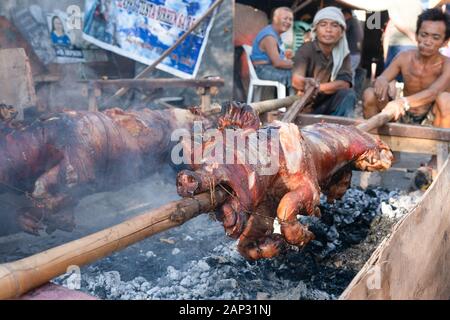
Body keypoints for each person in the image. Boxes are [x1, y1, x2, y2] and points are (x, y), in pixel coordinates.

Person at [363, 8, 450, 129]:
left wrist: (402, 102)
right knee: (370, 94)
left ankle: (441, 146)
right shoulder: (404, 57)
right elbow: (383, 77)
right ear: (416, 35)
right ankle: (374, 144)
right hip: (401, 114)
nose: (427, 42)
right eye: (424, 35)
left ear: (445, 42)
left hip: (431, 117)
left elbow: (433, 93)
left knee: (446, 99)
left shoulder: (447, 65)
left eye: (435, 37)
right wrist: (381, 81)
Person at [292, 6, 356, 117]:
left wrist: (317, 88)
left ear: (341, 32)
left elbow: (344, 84)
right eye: (323, 24)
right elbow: (296, 80)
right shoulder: (305, 50)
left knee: (348, 95)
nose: (328, 30)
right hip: (306, 107)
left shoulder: (343, 53)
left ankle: (340, 131)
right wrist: (305, 82)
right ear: (315, 29)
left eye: (334, 25)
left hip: (329, 104)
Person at [250, 7, 294, 90]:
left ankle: (292, 101)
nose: (288, 22)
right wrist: (297, 65)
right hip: (263, 70)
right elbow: (277, 63)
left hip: (268, 68)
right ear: (275, 18)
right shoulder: (270, 36)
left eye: (290, 19)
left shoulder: (275, 34)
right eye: (285, 18)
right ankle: (295, 102)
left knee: (299, 74)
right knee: (297, 77)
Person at [342, 8, 363, 79]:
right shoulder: (356, 21)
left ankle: (349, 89)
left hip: (352, 54)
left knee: (348, 74)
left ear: (347, 14)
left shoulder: (350, 21)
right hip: (356, 54)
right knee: (351, 74)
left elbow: (341, 32)